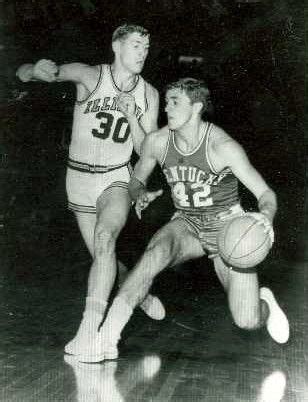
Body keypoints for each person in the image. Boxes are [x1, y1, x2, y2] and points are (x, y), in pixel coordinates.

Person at [77, 77, 290, 363]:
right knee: (155, 253)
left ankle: (264, 302)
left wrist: (266, 215)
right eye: (166, 102)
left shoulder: (222, 146)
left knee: (247, 320)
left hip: (226, 228)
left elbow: (266, 193)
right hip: (187, 222)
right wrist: (139, 193)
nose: (168, 108)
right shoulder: (158, 141)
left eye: (175, 102)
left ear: (197, 107)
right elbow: (135, 180)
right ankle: (106, 337)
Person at [15, 24, 166, 357]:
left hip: (116, 178)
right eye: (137, 45)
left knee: (104, 240)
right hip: (79, 179)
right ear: (117, 46)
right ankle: (138, 293)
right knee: (105, 258)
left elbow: (147, 151)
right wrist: (31, 69)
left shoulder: (150, 94)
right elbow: (36, 73)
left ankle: (89, 333)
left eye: (147, 46)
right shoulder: (90, 76)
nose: (143, 52)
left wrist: (130, 116)